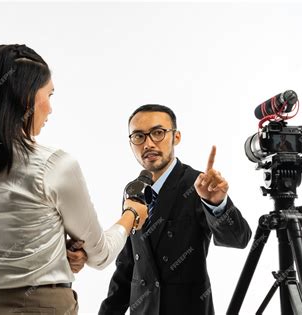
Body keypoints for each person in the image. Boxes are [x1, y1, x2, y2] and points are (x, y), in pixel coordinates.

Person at [0, 44, 147, 315]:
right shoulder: (55, 165)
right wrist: (130, 215)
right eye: (49, 95)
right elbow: (100, 255)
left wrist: (53, 247)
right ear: (25, 97)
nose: (50, 109)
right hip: (37, 307)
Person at [97, 104, 253, 314]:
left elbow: (238, 239)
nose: (148, 143)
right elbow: (127, 266)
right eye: (138, 136)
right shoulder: (134, 189)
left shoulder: (198, 185)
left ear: (176, 137)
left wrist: (217, 204)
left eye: (158, 133)